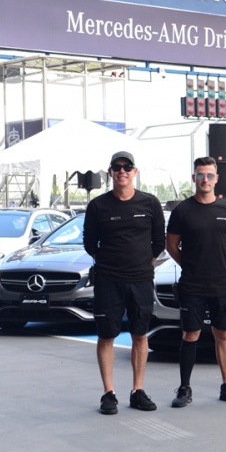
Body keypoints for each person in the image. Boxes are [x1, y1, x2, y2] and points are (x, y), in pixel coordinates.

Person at [83, 151, 166, 415]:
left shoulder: (150, 203)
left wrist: (141, 263)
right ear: (110, 172)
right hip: (108, 281)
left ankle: (137, 391)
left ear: (134, 171)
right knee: (106, 335)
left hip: (141, 280)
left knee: (140, 334)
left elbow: (159, 242)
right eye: (117, 167)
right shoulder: (98, 206)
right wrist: (109, 262)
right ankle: (109, 393)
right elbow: (89, 243)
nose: (122, 171)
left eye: (127, 167)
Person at [166, 157, 226, 408]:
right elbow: (171, 245)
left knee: (223, 333)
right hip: (192, 285)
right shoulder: (182, 211)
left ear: (216, 179)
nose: (205, 180)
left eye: (210, 175)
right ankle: (184, 388)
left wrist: (219, 262)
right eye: (201, 175)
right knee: (191, 333)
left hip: (221, 283)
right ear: (194, 178)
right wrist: (190, 265)